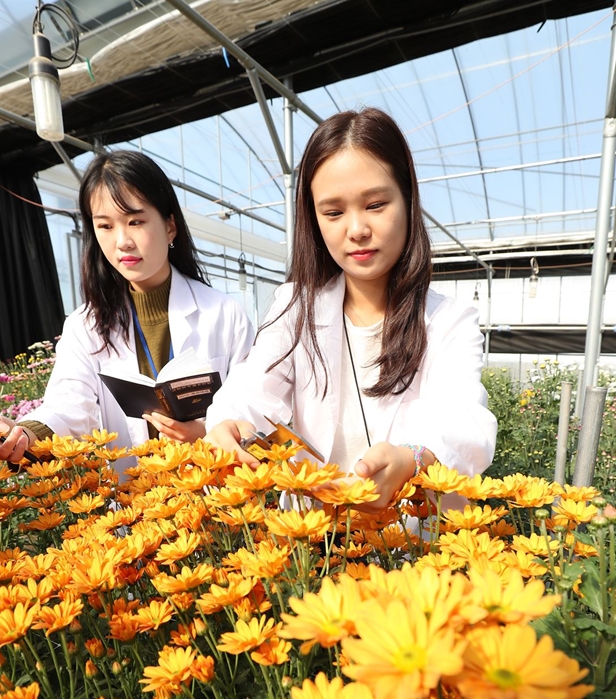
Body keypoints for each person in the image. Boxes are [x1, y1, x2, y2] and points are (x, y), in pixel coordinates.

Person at [204, 108, 497, 507]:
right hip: (317, 543)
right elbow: (253, 386)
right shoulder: (296, 307)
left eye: (375, 204)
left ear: (408, 200)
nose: (356, 229)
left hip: (409, 546)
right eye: (334, 212)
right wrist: (227, 422)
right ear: (314, 219)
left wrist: (414, 458)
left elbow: (464, 421)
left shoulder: (449, 322)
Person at [0, 150, 255, 466]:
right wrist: (26, 432)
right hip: (131, 500)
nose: (122, 241)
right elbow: (70, 404)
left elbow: (251, 400)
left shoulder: (224, 314)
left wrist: (207, 430)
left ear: (170, 227)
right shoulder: (86, 325)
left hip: (216, 497)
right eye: (105, 226)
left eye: (135, 221)